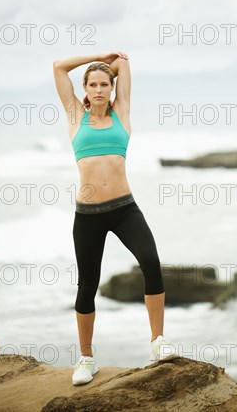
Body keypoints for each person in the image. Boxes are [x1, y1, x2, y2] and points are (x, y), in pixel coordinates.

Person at [53, 51, 176, 386]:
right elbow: (58, 67)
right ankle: (86, 359)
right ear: (85, 87)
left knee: (151, 261)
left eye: (104, 83)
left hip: (124, 209)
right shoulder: (75, 115)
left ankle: (158, 343)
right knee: (87, 285)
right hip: (89, 215)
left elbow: (124, 65)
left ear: (112, 87)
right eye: (92, 83)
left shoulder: (122, 111)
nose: (98, 88)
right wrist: (98, 57)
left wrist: (113, 63)